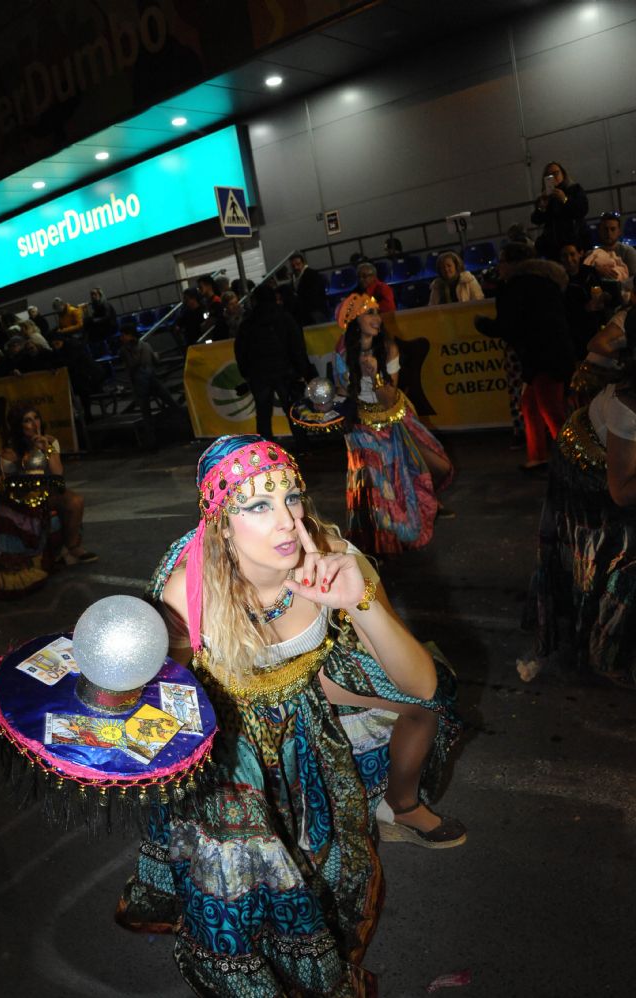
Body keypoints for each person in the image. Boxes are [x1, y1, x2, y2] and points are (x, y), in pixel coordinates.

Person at [117, 434, 464, 996]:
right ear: (223, 524)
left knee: (431, 700)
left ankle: (400, 804)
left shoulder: (327, 549)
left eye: (291, 498)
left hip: (309, 683)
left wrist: (357, 600)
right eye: (258, 505)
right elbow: (163, 707)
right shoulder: (190, 591)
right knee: (245, 860)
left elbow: (419, 685)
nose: (285, 521)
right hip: (226, 717)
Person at [527, 307, 636, 687]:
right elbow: (622, 492)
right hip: (587, 473)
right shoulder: (629, 407)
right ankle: (606, 652)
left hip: (614, 461)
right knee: (622, 559)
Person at [334, 293, 454, 552]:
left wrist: (373, 376)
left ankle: (427, 502)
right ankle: (382, 542)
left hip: (396, 420)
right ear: (355, 320)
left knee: (439, 467)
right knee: (379, 488)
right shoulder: (343, 350)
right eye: (370, 313)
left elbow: (388, 399)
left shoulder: (388, 348)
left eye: (378, 312)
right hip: (363, 430)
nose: (378, 319)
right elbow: (344, 392)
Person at [475, 242, 574, 471]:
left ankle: (574, 458)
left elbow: (508, 326)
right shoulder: (548, 281)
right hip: (554, 351)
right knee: (531, 404)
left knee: (550, 409)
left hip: (541, 355)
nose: (499, 267)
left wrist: (483, 325)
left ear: (512, 263)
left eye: (501, 261)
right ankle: (538, 455)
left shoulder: (515, 287)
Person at [0, 403, 96, 596]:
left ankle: (73, 547)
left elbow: (58, 473)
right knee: (11, 514)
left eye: (36, 418)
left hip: (46, 491)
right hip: (18, 497)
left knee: (75, 501)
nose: (34, 424)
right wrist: (30, 453)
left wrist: (47, 449)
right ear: (19, 425)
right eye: (27, 420)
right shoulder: (10, 449)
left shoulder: (50, 441)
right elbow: (14, 482)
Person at [234, 284, 314, 452]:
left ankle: (265, 450)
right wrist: (301, 370)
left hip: (259, 375)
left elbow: (240, 349)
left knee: (263, 415)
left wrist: (246, 373)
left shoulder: (248, 322)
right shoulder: (284, 317)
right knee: (292, 411)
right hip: (285, 372)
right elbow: (297, 345)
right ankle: (303, 445)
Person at [118, 321, 181, 450]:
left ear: (129, 335)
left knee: (146, 414)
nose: (122, 338)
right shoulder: (145, 345)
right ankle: (186, 425)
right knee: (171, 402)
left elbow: (130, 366)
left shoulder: (125, 351)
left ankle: (152, 442)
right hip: (152, 379)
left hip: (140, 383)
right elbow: (155, 360)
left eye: (123, 335)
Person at [530, 161, 589, 260]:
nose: (553, 177)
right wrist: (542, 207)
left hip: (574, 244)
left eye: (555, 173)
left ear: (563, 174)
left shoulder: (574, 189)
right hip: (554, 248)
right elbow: (536, 220)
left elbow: (582, 210)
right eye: (548, 175)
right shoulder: (545, 197)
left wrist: (564, 200)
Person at [290, 251, 329, 325]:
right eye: (293, 265)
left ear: (303, 263)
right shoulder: (295, 277)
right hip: (307, 311)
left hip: (315, 310)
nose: (296, 267)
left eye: (298, 264)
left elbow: (314, 294)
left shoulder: (311, 274)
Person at [596, 210, 636, 278]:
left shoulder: (628, 252)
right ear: (600, 231)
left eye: (613, 229)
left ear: (619, 232)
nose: (609, 233)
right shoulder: (593, 254)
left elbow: (633, 278)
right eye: (605, 229)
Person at [83, 287, 117, 354]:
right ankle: (90, 347)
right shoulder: (97, 305)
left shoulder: (105, 304)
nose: (93, 296)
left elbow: (107, 317)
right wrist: (86, 312)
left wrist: (95, 321)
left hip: (110, 326)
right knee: (87, 322)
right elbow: (94, 317)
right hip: (102, 326)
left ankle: (93, 350)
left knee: (90, 331)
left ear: (100, 295)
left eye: (95, 294)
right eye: (92, 295)